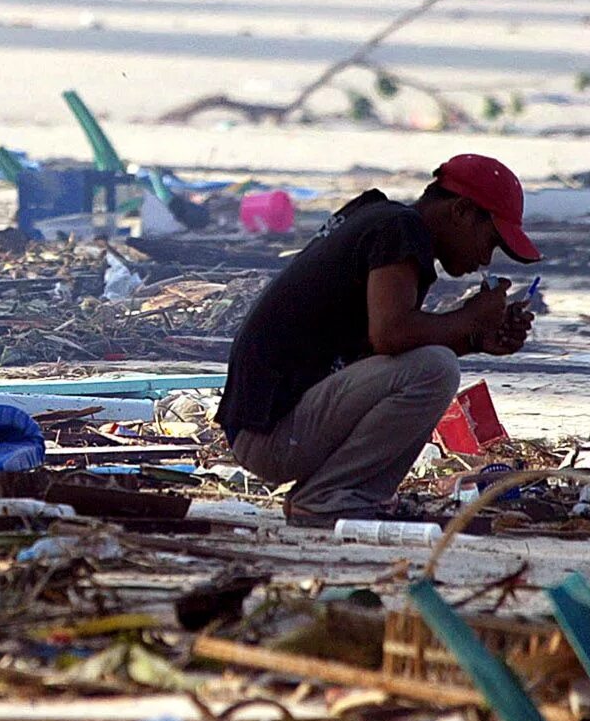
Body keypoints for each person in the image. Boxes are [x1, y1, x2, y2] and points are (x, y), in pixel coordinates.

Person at [216, 154, 541, 526]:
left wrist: (474, 339)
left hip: (266, 429)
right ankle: (331, 499)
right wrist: (469, 319)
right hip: (271, 435)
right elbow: (390, 335)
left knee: (433, 363)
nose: (486, 256)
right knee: (437, 368)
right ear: (463, 211)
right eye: (491, 241)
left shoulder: (382, 219)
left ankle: (335, 496)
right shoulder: (401, 229)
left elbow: (382, 352)